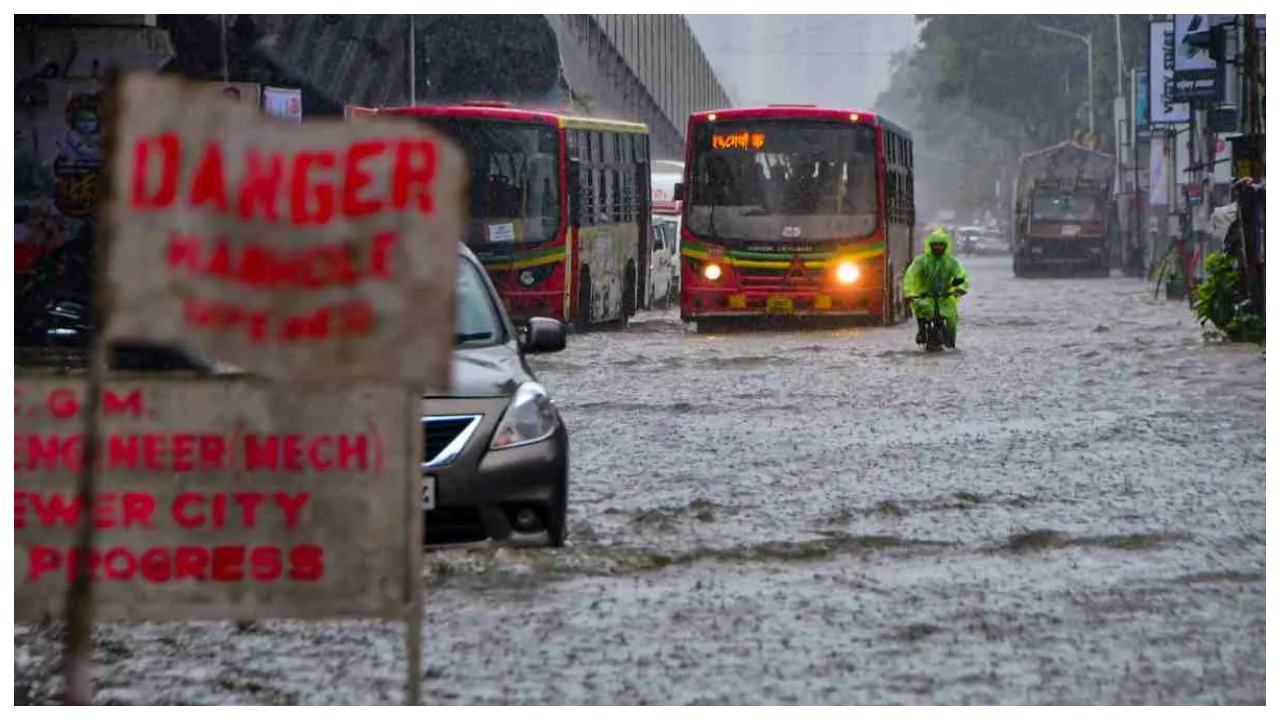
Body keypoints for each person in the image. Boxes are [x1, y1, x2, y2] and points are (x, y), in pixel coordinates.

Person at [903, 227, 971, 348]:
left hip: (945, 297)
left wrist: (959, 287)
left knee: (951, 318)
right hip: (925, 296)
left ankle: (950, 341)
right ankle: (922, 330)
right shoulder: (922, 261)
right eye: (935, 244)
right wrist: (910, 293)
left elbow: (960, 275)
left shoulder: (951, 262)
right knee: (922, 308)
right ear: (930, 245)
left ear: (946, 246)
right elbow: (910, 276)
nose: (938, 247)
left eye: (941, 244)